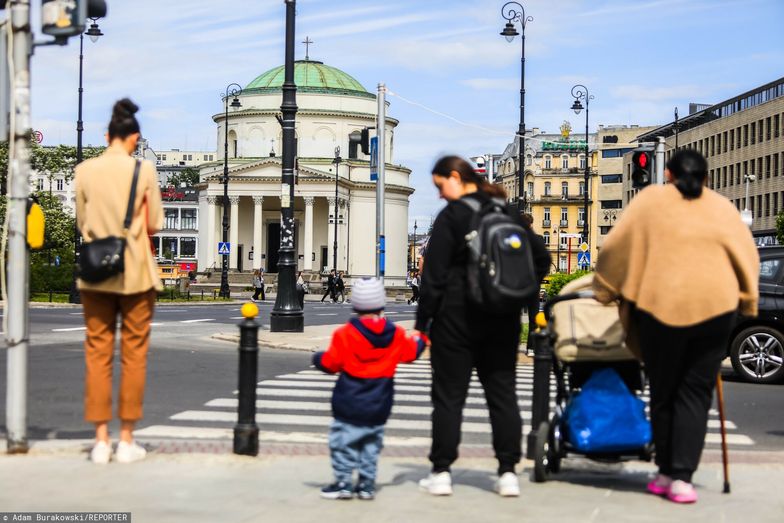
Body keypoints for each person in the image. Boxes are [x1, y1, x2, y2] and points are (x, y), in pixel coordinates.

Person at [593, 150, 759, 504]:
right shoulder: (721, 207)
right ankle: (683, 477)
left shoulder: (650, 200)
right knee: (695, 394)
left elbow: (616, 247)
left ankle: (666, 472)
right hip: (715, 310)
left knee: (664, 390)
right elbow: (747, 255)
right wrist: (747, 301)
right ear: (706, 176)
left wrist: (604, 290)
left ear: (667, 173)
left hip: (658, 308)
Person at [414, 155, 550, 497]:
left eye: (441, 186)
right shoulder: (506, 213)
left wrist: (423, 324)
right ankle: (507, 473)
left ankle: (442, 472)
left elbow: (433, 277)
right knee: (502, 395)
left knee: (448, 398)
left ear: (457, 178)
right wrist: (520, 293)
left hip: (454, 323)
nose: (441, 195)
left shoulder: (452, 217)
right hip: (501, 321)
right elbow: (542, 258)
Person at [75, 98, 163, 464]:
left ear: (107, 135)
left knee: (97, 354)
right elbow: (155, 222)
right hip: (136, 271)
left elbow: (82, 223)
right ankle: (126, 440)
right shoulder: (144, 172)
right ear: (135, 137)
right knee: (133, 355)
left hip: (96, 271)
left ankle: (99, 441)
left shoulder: (84, 170)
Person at [313, 278, 429, 500]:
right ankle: (366, 484)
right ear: (381, 305)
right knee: (371, 446)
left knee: (343, 444)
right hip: (379, 403)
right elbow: (411, 352)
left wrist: (318, 358)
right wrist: (423, 337)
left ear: (356, 306)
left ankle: (344, 482)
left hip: (349, 401)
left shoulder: (345, 334)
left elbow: (331, 363)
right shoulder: (394, 334)